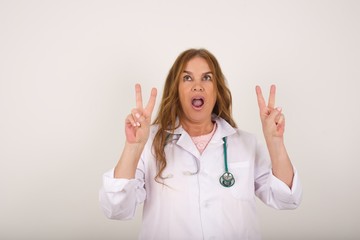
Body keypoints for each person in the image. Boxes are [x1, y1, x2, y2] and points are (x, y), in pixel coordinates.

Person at [99, 48, 302, 240]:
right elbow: (116, 208)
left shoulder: (246, 143)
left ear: (217, 90)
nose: (198, 85)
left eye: (207, 77)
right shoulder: (150, 142)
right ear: (176, 90)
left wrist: (275, 142)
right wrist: (133, 147)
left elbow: (287, 199)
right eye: (187, 78)